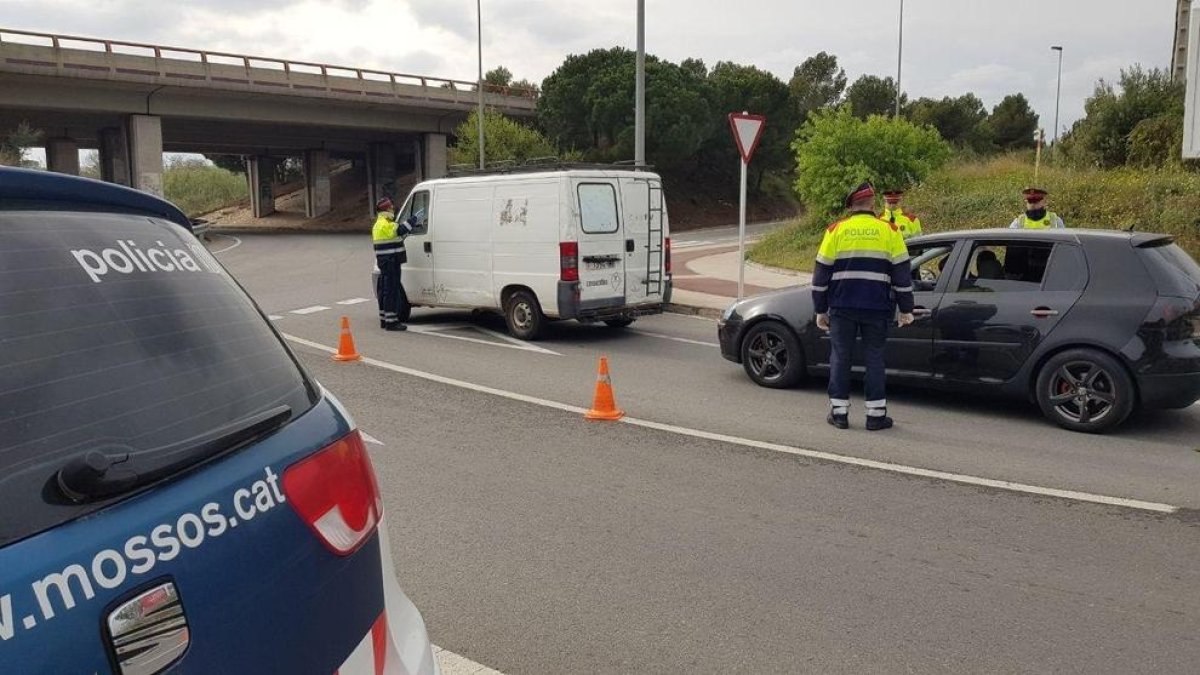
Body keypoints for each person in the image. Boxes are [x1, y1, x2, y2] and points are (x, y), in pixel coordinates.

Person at [812, 182, 915, 431]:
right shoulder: (889, 230)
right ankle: (875, 416)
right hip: (877, 307)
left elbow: (821, 275)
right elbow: (902, 273)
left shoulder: (836, 230)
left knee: (840, 357)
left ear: (851, 206)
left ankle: (839, 414)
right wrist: (906, 308)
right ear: (872, 204)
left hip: (842, 307)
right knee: (875, 359)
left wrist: (820, 309)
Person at [372, 196, 413, 332]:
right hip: (390, 261)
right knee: (391, 291)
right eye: (390, 207)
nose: (392, 209)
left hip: (386, 261)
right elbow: (399, 230)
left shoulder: (380, 223)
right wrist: (412, 221)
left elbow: (396, 236)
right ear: (385, 209)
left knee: (385, 290)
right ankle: (391, 322)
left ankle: (385, 320)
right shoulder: (385, 223)